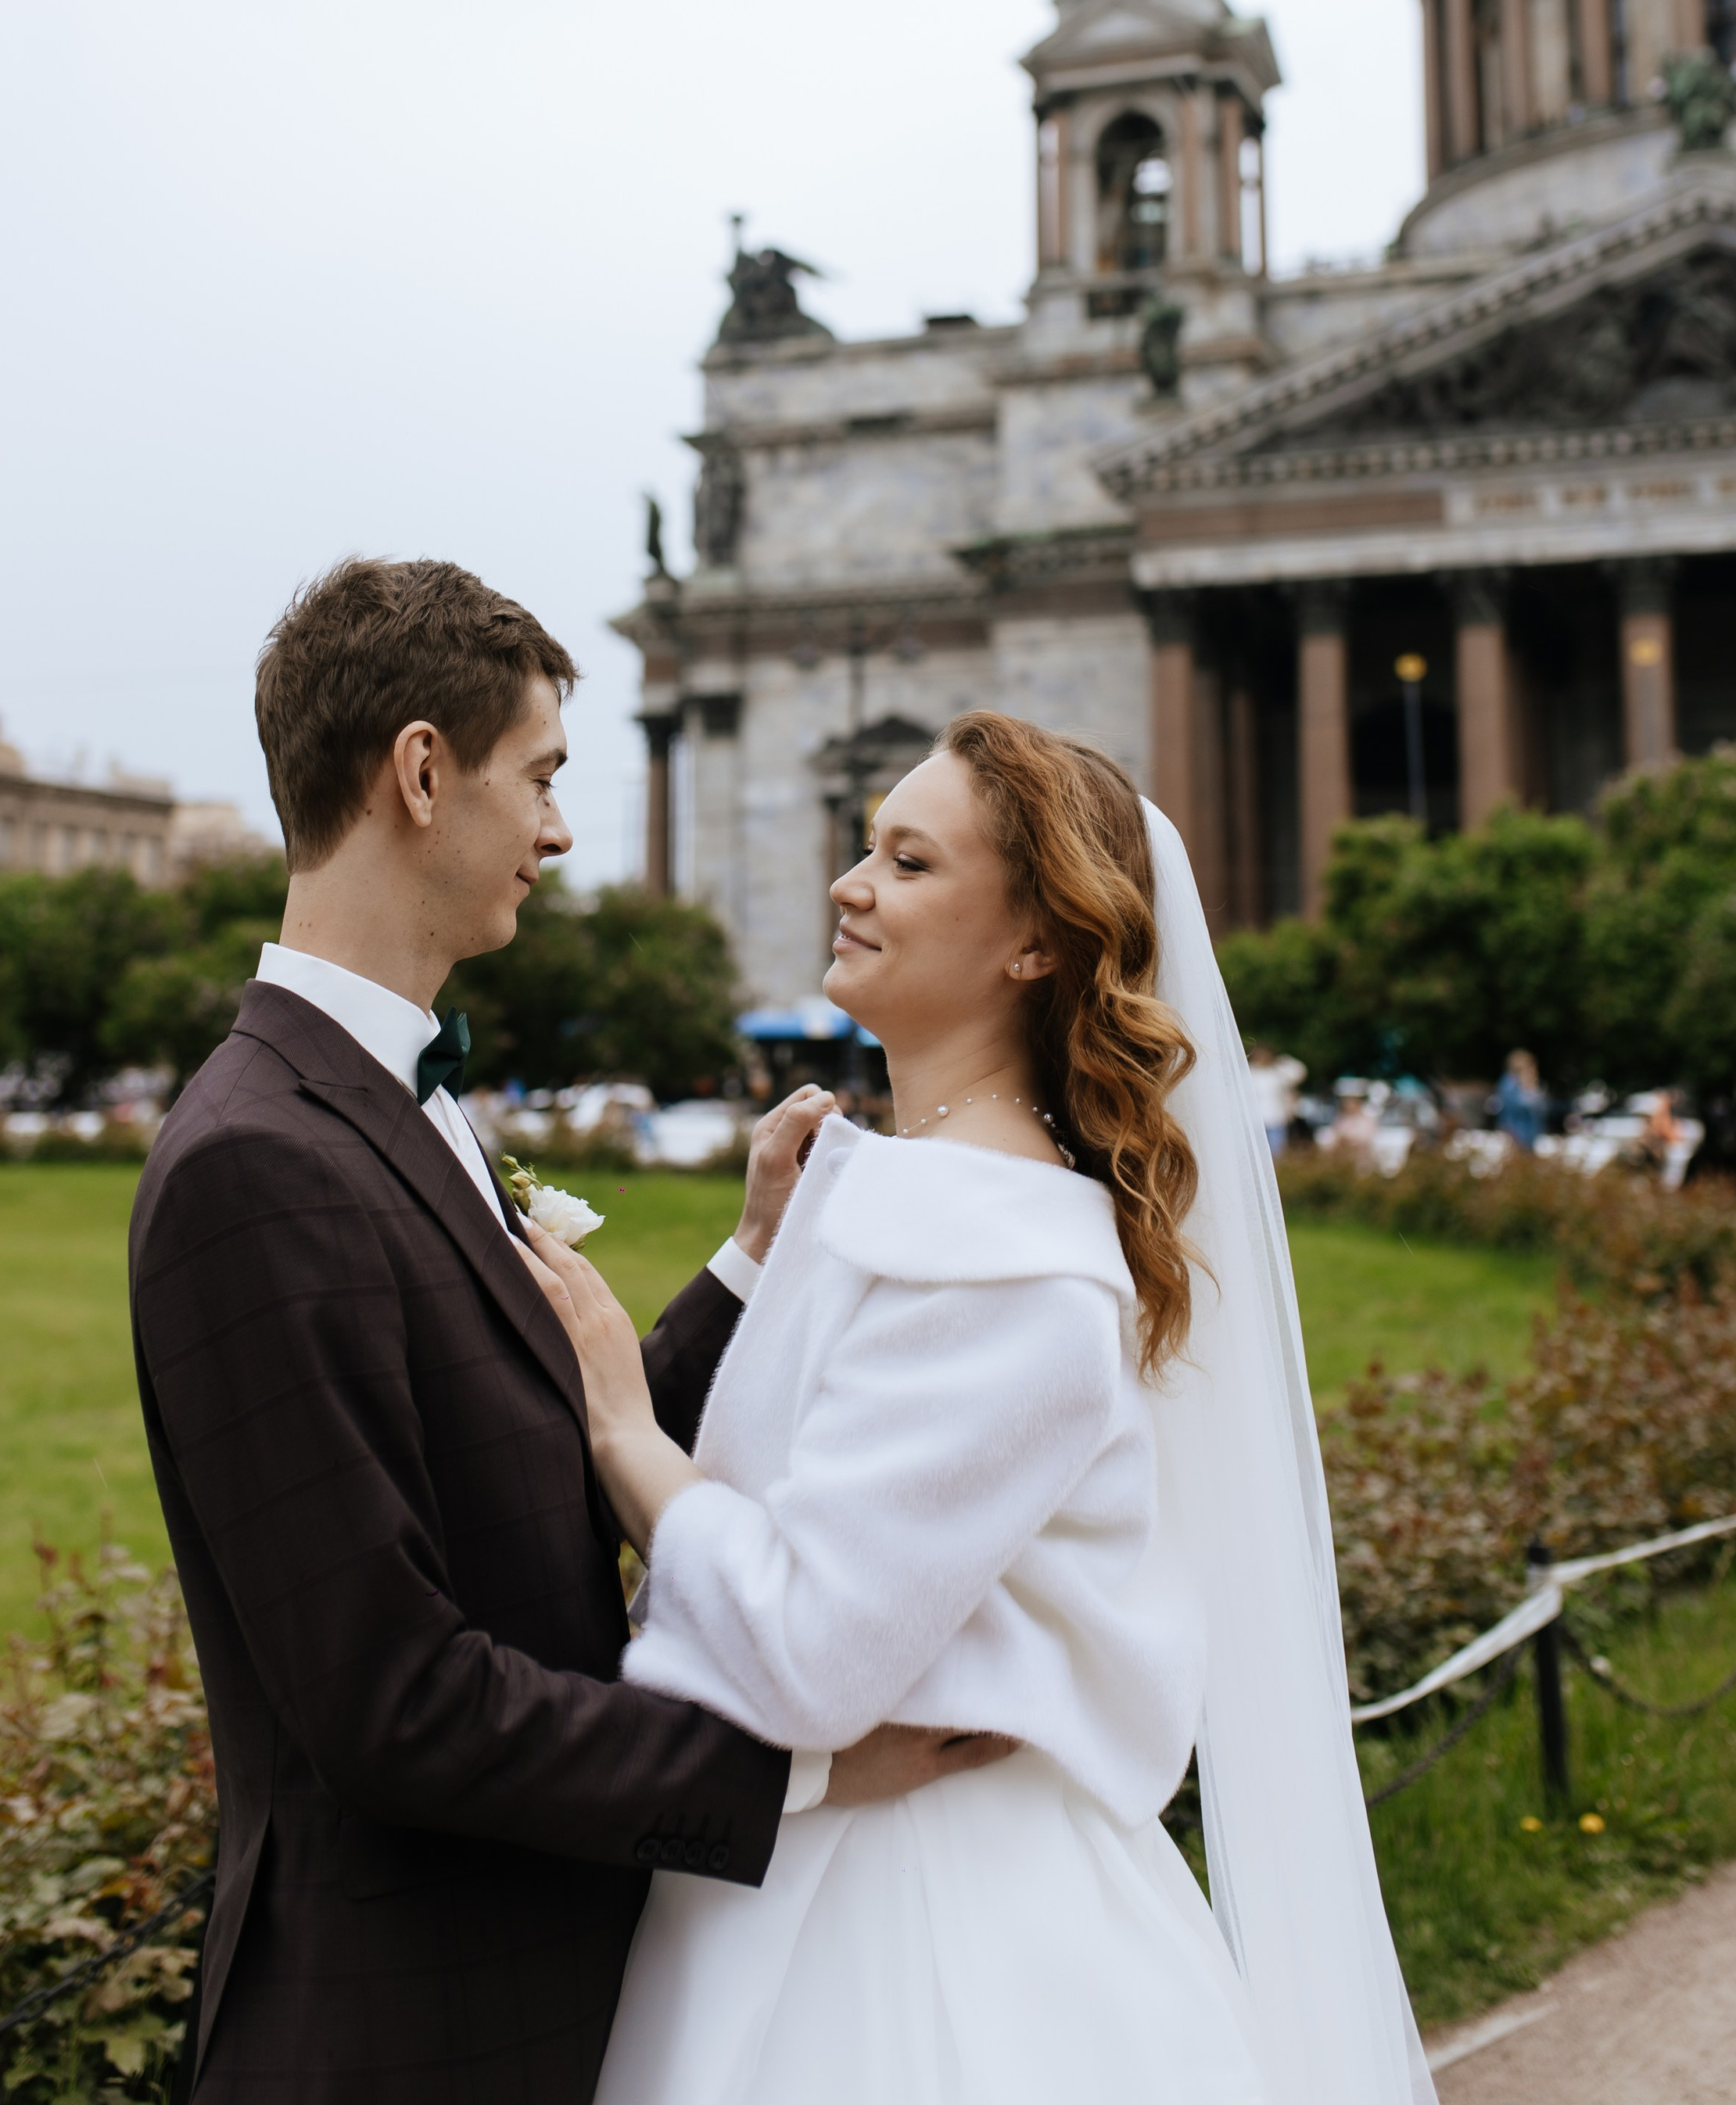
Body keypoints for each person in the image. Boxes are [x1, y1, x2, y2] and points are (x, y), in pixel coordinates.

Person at [129, 560, 1003, 2104]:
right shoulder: (254, 1162)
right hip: (402, 2035)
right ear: (418, 774)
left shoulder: (400, 1100)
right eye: (536, 777)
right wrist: (796, 1774)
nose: (557, 829)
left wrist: (745, 1262)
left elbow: (532, 1460)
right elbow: (394, 1705)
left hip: (535, 1994)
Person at [522, 709, 1436, 2105]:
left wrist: (620, 1431)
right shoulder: (893, 1191)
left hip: (923, 1935)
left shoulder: (1008, 1261)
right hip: (792, 1883)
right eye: (864, 846)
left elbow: (810, 1649)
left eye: (908, 861)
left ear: (1033, 945)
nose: (852, 882)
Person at [1491, 1048, 1546, 1153]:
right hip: (1516, 1133)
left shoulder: (1516, 1083)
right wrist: (1529, 1088)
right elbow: (1519, 1105)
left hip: (1528, 1133)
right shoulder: (1509, 1083)